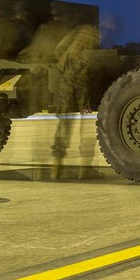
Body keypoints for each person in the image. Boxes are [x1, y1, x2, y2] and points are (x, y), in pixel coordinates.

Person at [50, 22, 103, 179]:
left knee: (64, 123)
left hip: (67, 83)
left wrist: (65, 64)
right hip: (83, 84)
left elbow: (59, 48)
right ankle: (85, 168)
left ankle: (57, 163)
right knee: (85, 121)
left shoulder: (78, 30)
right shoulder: (97, 35)